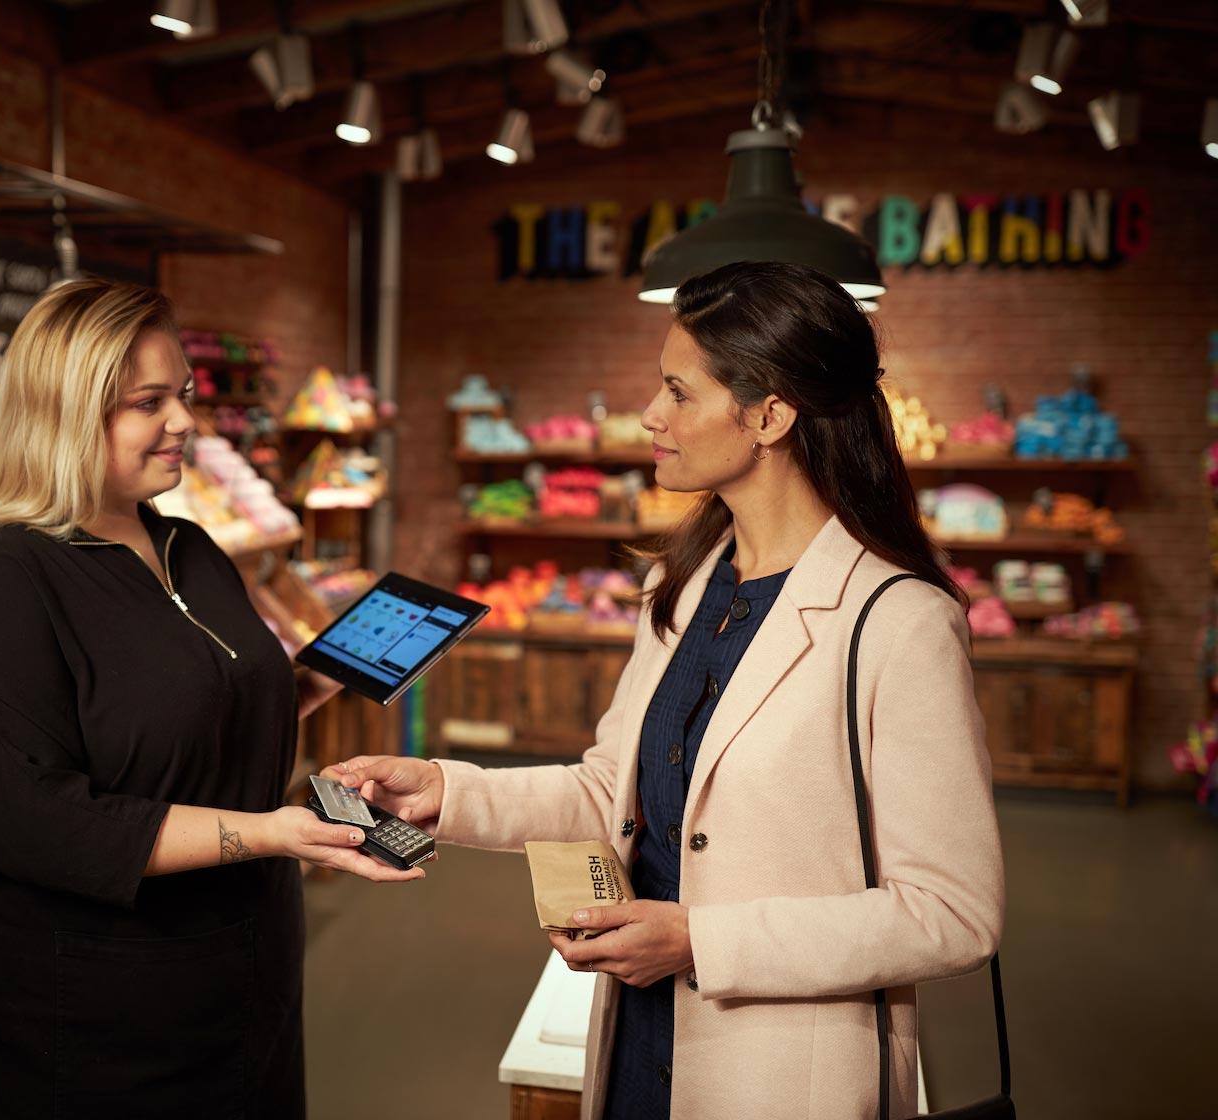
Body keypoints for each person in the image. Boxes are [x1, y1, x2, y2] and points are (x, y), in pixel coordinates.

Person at [328, 261, 1006, 1119]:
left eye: (678, 393)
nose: (651, 414)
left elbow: (951, 913)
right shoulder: (685, 586)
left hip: (785, 1078)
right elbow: (611, 794)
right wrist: (445, 791)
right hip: (642, 1047)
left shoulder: (898, 623)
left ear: (770, 414)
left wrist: (699, 942)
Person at [0, 279, 423, 1120]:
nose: (184, 422)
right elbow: (28, 817)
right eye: (149, 402)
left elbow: (201, 711)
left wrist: (328, 675)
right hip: (72, 1025)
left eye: (183, 394)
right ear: (64, 415)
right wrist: (272, 832)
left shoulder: (189, 546)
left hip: (235, 993)